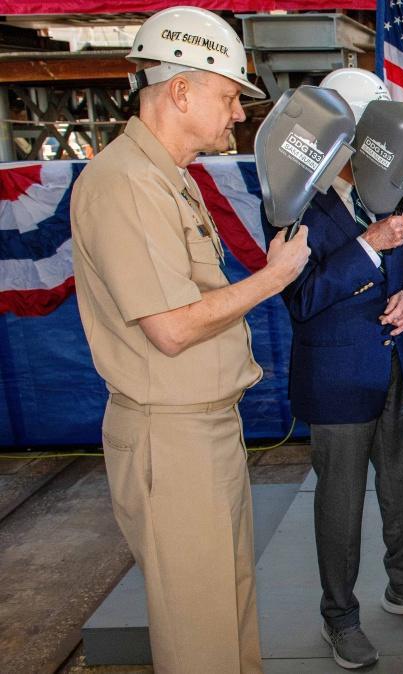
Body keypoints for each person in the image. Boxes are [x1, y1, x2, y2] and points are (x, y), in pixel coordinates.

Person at [70, 7, 310, 672]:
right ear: (181, 90)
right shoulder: (125, 183)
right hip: (170, 437)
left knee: (225, 615)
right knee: (199, 637)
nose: (238, 115)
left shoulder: (168, 176)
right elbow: (171, 329)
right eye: (231, 96)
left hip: (203, 430)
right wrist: (274, 276)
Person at [282, 67, 403, 670]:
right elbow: (300, 297)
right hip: (337, 382)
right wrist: (369, 245)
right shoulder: (294, 196)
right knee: (341, 506)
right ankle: (340, 617)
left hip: (395, 372)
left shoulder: (392, 191)